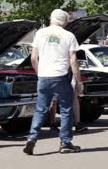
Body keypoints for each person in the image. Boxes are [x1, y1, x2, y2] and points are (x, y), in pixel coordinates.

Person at [23, 9, 83, 155]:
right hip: (60, 76)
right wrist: (79, 82)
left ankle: (32, 137)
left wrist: (40, 74)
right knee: (66, 109)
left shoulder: (40, 33)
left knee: (40, 109)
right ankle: (65, 143)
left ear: (51, 19)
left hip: (44, 77)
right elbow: (73, 61)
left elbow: (33, 58)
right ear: (65, 21)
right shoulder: (68, 35)